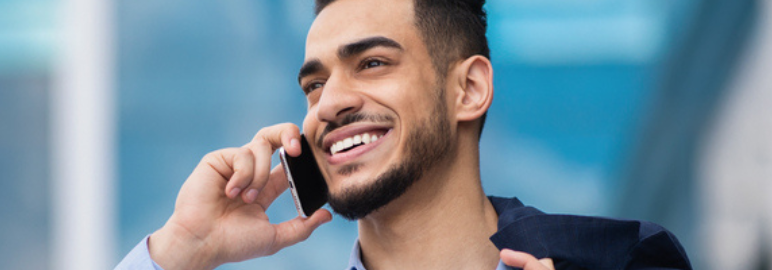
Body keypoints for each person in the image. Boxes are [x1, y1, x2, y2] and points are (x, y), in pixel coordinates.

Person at [116, 0, 693, 269]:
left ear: (468, 89)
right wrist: (179, 252)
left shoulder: (619, 261)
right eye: (314, 84)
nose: (330, 103)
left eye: (371, 64)